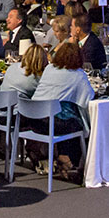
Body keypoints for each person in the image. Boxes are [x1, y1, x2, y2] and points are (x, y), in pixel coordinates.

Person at [29, 39, 95, 178]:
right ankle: (69, 159)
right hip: (52, 123)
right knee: (78, 123)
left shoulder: (49, 69)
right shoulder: (78, 75)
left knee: (65, 113)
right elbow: (87, 98)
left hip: (34, 119)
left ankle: (64, 156)